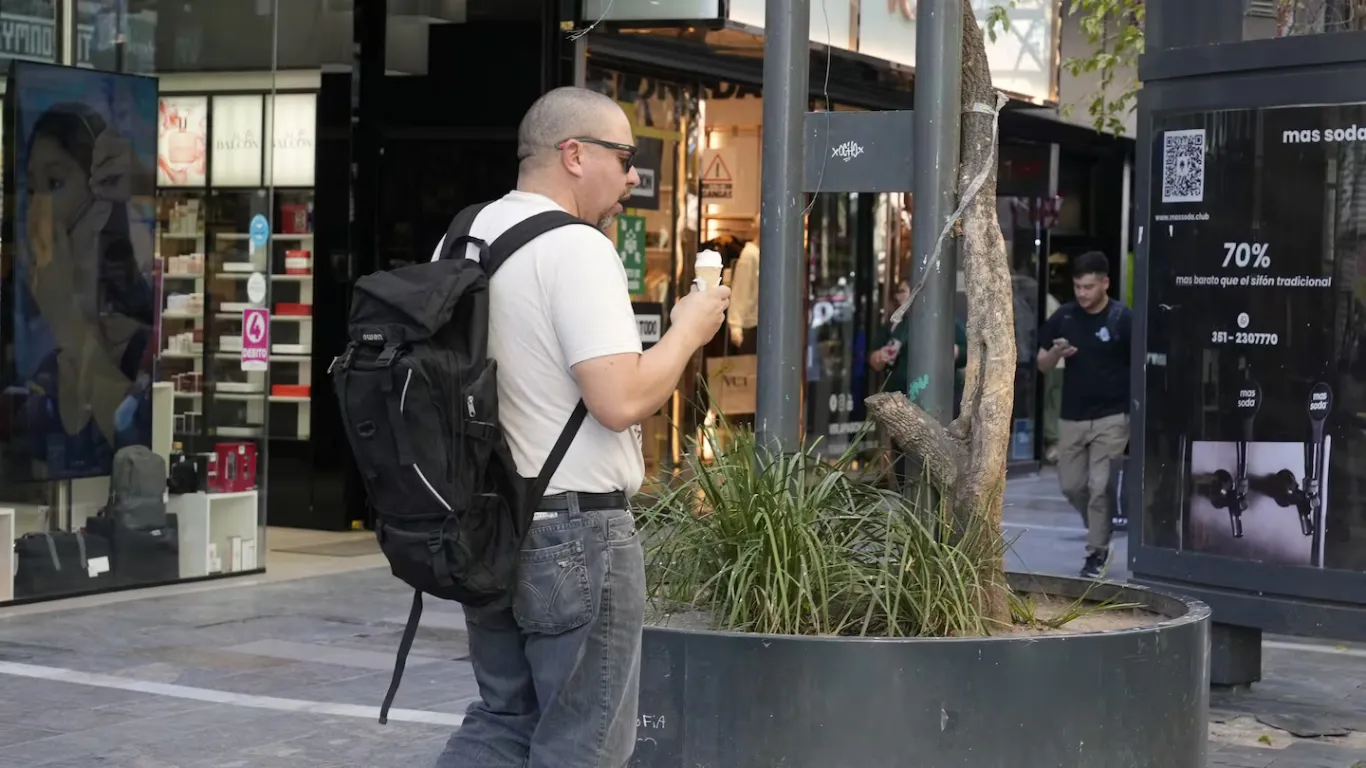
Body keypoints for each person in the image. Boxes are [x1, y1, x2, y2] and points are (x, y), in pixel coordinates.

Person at [431, 87, 730, 768]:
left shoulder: (464, 235)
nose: (632, 178)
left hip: (488, 523)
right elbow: (619, 399)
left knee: (504, 722)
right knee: (583, 745)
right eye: (623, 158)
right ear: (573, 154)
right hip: (575, 529)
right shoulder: (576, 247)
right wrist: (687, 331)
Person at [20, 101, 155, 477]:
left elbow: (143, 456)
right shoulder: (47, 373)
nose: (38, 210)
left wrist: (69, 324)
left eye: (55, 184)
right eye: (31, 189)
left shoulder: (143, 350)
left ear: (99, 204)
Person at [1037, 251, 1131, 578]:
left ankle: (1097, 551)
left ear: (1105, 283)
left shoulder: (1122, 318)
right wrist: (1056, 352)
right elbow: (1042, 364)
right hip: (1072, 417)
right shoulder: (1065, 316)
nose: (1082, 293)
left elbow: (1140, 364)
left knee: (1100, 486)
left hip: (1112, 417)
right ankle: (1100, 530)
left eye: (1088, 287)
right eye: (1077, 286)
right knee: (1072, 486)